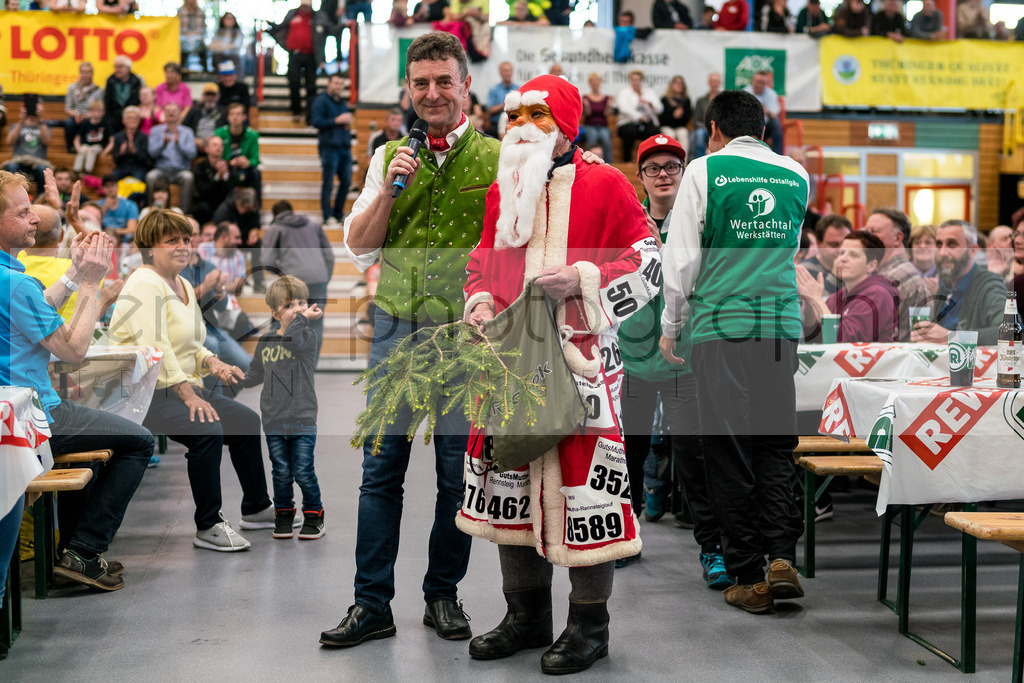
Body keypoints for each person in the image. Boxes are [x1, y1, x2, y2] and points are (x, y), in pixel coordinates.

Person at [459, 74, 656, 675]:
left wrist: (584, 280)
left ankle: (589, 626)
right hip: (511, 360)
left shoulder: (607, 184)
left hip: (584, 362)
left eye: (537, 116)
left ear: (566, 123)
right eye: (514, 116)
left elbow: (650, 260)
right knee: (511, 484)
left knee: (585, 489)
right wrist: (479, 301)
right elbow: (481, 258)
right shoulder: (503, 188)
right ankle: (526, 618)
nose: (520, 127)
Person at [319, 31, 502, 651]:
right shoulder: (388, 156)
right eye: (420, 82)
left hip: (468, 334)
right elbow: (360, 243)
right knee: (380, 470)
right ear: (408, 87)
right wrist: (392, 185)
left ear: (465, 84)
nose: (431, 93)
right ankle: (371, 603)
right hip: (397, 326)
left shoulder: (501, 158)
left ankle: (442, 595)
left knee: (457, 475)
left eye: (443, 81)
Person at [660, 89, 809, 615]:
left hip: (722, 326)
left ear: (713, 130)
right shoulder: (795, 175)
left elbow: (681, 260)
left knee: (728, 448)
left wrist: (670, 326)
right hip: (779, 325)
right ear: (765, 132)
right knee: (773, 444)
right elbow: (788, 250)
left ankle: (747, 571)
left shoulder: (704, 171)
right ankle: (783, 557)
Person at [0, 170, 153, 591]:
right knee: (139, 441)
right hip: (34, 414)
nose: (35, 219)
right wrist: (89, 283)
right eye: (23, 211)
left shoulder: (10, 280)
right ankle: (84, 551)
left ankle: (71, 553)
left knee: (92, 447)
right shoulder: (15, 284)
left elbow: (32, 314)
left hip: (12, 412)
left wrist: (71, 274)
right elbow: (72, 350)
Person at [109, 209, 275, 551]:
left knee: (245, 421)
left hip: (175, 386)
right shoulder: (143, 282)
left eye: (186, 239)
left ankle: (256, 508)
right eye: (172, 241)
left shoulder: (182, 283)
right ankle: (208, 524)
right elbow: (157, 345)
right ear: (149, 247)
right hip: (143, 393)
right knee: (207, 430)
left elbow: (192, 341)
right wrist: (189, 395)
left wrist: (212, 361)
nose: (183, 246)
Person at [616, 134, 705, 569]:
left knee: (693, 452)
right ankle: (625, 535)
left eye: (672, 166)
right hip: (634, 357)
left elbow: (698, 280)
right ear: (641, 178)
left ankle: (713, 549)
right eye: (653, 168)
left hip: (683, 358)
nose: (663, 175)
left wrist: (664, 248)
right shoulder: (627, 224)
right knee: (629, 450)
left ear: (684, 172)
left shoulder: (699, 221)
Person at [238, 275, 325, 540]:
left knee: (303, 470)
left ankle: (314, 514)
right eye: (290, 305)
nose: (299, 309)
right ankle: (284, 513)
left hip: (302, 416)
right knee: (281, 471)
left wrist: (301, 320)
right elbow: (255, 374)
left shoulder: (307, 337)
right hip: (274, 419)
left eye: (302, 302)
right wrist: (234, 378)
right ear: (275, 313)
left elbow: (294, 340)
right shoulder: (265, 342)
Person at [17, 200, 120, 322]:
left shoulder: (12, 264)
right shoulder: (75, 269)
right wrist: (75, 221)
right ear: (61, 235)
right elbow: (105, 263)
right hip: (68, 337)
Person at [261, 200, 335, 360]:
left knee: (281, 321)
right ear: (291, 211)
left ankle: (276, 362)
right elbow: (329, 256)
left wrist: (283, 274)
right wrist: (324, 277)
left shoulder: (275, 228)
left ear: (275, 215)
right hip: (318, 279)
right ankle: (309, 366)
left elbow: (266, 260)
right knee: (315, 323)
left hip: (292, 280)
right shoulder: (314, 226)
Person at [911, 220, 1006, 345]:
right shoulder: (945, 284)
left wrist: (951, 337)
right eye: (939, 245)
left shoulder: (989, 285)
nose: (943, 253)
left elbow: (1008, 333)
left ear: (972, 250)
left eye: (952, 245)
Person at [798, 231, 900, 342]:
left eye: (853, 255)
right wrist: (810, 300)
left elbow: (844, 340)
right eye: (841, 253)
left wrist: (817, 299)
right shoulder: (838, 296)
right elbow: (812, 336)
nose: (843, 259)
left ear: (871, 266)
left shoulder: (878, 293)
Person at [862, 208, 930, 341]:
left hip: (892, 358)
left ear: (897, 238)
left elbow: (863, 330)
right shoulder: (885, 273)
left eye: (873, 232)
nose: (865, 238)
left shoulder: (895, 277)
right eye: (866, 232)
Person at [311, 73, 353, 227]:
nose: (339, 86)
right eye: (336, 83)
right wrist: (337, 120)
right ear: (329, 83)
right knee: (328, 182)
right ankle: (327, 216)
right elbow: (315, 121)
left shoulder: (341, 102)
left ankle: (338, 214)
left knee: (347, 182)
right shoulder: (321, 101)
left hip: (344, 147)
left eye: (341, 84)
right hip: (329, 147)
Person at [272, 0, 322, 125]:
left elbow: (329, 29)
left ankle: (310, 116)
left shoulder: (318, 16)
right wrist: (267, 26)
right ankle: (296, 110)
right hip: (294, 54)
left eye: (307, 6)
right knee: (294, 82)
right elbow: (280, 27)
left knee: (311, 87)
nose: (305, 8)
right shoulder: (292, 14)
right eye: (304, 5)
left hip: (311, 56)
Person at [146, 102, 197, 215]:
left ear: (180, 114)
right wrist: (163, 144)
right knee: (151, 176)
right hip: (162, 170)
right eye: (168, 110)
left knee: (188, 177)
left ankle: (184, 213)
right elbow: (151, 153)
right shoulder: (156, 130)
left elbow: (192, 154)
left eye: (174, 111)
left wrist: (179, 144)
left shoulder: (187, 131)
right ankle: (152, 211)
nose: (171, 113)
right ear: (164, 114)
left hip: (181, 170)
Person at [212, 187, 262, 291]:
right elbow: (219, 236)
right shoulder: (224, 211)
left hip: (243, 238)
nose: (244, 211)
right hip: (228, 242)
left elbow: (255, 220)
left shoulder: (250, 208)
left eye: (248, 209)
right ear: (239, 202)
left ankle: (259, 282)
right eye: (244, 207)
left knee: (258, 244)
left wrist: (254, 230)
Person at [214, 102, 262, 197]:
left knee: (256, 173)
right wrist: (229, 163)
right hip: (227, 167)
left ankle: (256, 207)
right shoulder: (220, 133)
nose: (235, 117)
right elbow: (216, 155)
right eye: (232, 114)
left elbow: (255, 159)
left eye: (238, 114)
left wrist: (248, 162)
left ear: (244, 117)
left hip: (244, 169)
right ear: (228, 117)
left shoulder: (252, 135)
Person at [616, 70, 662, 164]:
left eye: (637, 79)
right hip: (628, 123)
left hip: (646, 123)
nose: (635, 82)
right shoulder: (625, 92)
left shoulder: (649, 92)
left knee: (654, 131)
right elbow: (623, 108)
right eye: (633, 79)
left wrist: (650, 103)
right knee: (629, 131)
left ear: (641, 80)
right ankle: (627, 161)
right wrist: (639, 117)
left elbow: (660, 109)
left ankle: (650, 160)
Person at [800, 214, 852, 297]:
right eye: (834, 244)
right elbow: (814, 306)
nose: (841, 250)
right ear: (819, 243)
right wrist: (835, 276)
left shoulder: (856, 268)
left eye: (845, 244)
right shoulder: (805, 270)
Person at [4, 100, 50, 190]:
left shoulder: (44, 126)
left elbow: (47, 141)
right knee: (11, 167)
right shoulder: (16, 126)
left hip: (38, 164)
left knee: (43, 169)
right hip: (20, 163)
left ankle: (41, 199)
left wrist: (40, 121)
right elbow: (9, 141)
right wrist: (21, 121)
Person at [192, 136, 235, 223]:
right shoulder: (200, 167)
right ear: (207, 149)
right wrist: (217, 177)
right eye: (215, 145)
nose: (219, 147)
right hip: (206, 202)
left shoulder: (229, 167)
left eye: (221, 145)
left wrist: (225, 176)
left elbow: (230, 192)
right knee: (201, 207)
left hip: (222, 202)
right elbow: (202, 192)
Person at [64, 62, 104, 154]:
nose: (85, 75)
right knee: (69, 123)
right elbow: (68, 108)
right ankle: (71, 148)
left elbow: (99, 108)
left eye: (88, 72)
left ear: (92, 74)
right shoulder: (72, 88)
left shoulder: (98, 90)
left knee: (91, 123)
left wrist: (87, 116)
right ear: (80, 73)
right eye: (83, 72)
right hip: (76, 116)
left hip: (91, 116)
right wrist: (76, 115)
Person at [743, 71, 784, 155]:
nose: (759, 85)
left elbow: (775, 114)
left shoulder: (771, 94)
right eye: (758, 82)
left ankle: (778, 155)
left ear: (766, 83)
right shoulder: (745, 93)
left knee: (776, 123)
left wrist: (767, 111)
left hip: (765, 126)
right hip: (749, 126)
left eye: (762, 83)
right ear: (753, 81)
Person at [103, 56, 144, 132]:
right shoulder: (110, 80)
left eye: (120, 67)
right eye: (115, 67)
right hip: (114, 115)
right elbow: (107, 101)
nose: (117, 70)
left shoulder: (136, 81)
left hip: (131, 113)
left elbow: (138, 101)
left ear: (128, 68)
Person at [111, 106, 151, 181]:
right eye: (129, 118)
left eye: (135, 118)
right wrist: (121, 153)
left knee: (139, 178)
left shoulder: (144, 137)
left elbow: (147, 161)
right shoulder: (118, 137)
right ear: (124, 120)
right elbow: (115, 159)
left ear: (139, 121)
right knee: (113, 178)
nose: (132, 121)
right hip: (122, 168)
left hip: (138, 168)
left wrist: (135, 152)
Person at [581, 72, 614, 163]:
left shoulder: (606, 98)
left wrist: (609, 106)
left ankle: (609, 164)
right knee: (592, 137)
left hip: (603, 126)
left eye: (597, 81)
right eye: (593, 81)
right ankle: (589, 162)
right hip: (590, 126)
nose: (595, 84)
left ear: (600, 83)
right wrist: (586, 106)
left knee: (606, 139)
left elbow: (607, 114)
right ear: (590, 83)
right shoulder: (586, 97)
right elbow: (587, 114)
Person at [72, 101, 112, 175]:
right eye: (93, 111)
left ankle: (88, 171)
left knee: (92, 151)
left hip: (98, 146)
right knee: (82, 150)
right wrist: (78, 148)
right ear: (89, 112)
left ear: (103, 112)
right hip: (86, 145)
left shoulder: (106, 123)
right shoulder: (85, 123)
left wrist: (105, 152)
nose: (96, 114)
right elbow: (77, 139)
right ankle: (76, 171)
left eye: (98, 111)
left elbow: (112, 140)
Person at [183, 83, 228, 149]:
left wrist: (214, 140)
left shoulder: (224, 112)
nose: (210, 98)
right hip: (196, 143)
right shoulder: (194, 110)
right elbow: (184, 127)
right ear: (203, 96)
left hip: (216, 144)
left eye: (213, 95)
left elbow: (227, 131)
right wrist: (193, 139)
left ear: (218, 96)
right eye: (207, 94)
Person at [99, 174, 139, 243]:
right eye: (107, 186)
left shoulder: (130, 205)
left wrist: (113, 232)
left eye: (112, 185)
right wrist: (104, 209)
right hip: (102, 237)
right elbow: (94, 224)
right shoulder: (98, 204)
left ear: (117, 186)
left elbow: (132, 229)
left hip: (123, 239)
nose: (110, 189)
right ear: (102, 188)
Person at [659, 76, 692, 157]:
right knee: (670, 135)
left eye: (681, 83)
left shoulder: (686, 100)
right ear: (672, 85)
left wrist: (681, 115)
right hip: (667, 126)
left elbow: (688, 118)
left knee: (683, 133)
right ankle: (669, 161)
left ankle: (683, 162)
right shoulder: (665, 99)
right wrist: (673, 115)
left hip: (680, 127)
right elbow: (661, 118)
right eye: (676, 83)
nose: (679, 85)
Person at [691, 72, 721, 159]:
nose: (714, 83)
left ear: (720, 83)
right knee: (699, 134)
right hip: (704, 128)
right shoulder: (701, 100)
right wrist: (709, 128)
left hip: (720, 128)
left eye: (716, 81)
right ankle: (700, 159)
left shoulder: (725, 100)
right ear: (708, 83)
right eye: (712, 81)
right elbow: (696, 120)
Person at [485, 62, 518, 138]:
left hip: (514, 123)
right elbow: (489, 110)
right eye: (505, 71)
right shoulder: (493, 90)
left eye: (509, 70)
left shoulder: (517, 88)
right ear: (500, 73)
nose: (508, 73)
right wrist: (505, 105)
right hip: (496, 125)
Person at [178, 0, 208, 70]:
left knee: (202, 47)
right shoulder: (181, 11)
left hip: (198, 36)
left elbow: (203, 27)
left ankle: (205, 70)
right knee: (184, 48)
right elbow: (179, 26)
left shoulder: (200, 11)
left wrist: (196, 34)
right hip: (184, 36)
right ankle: (182, 69)